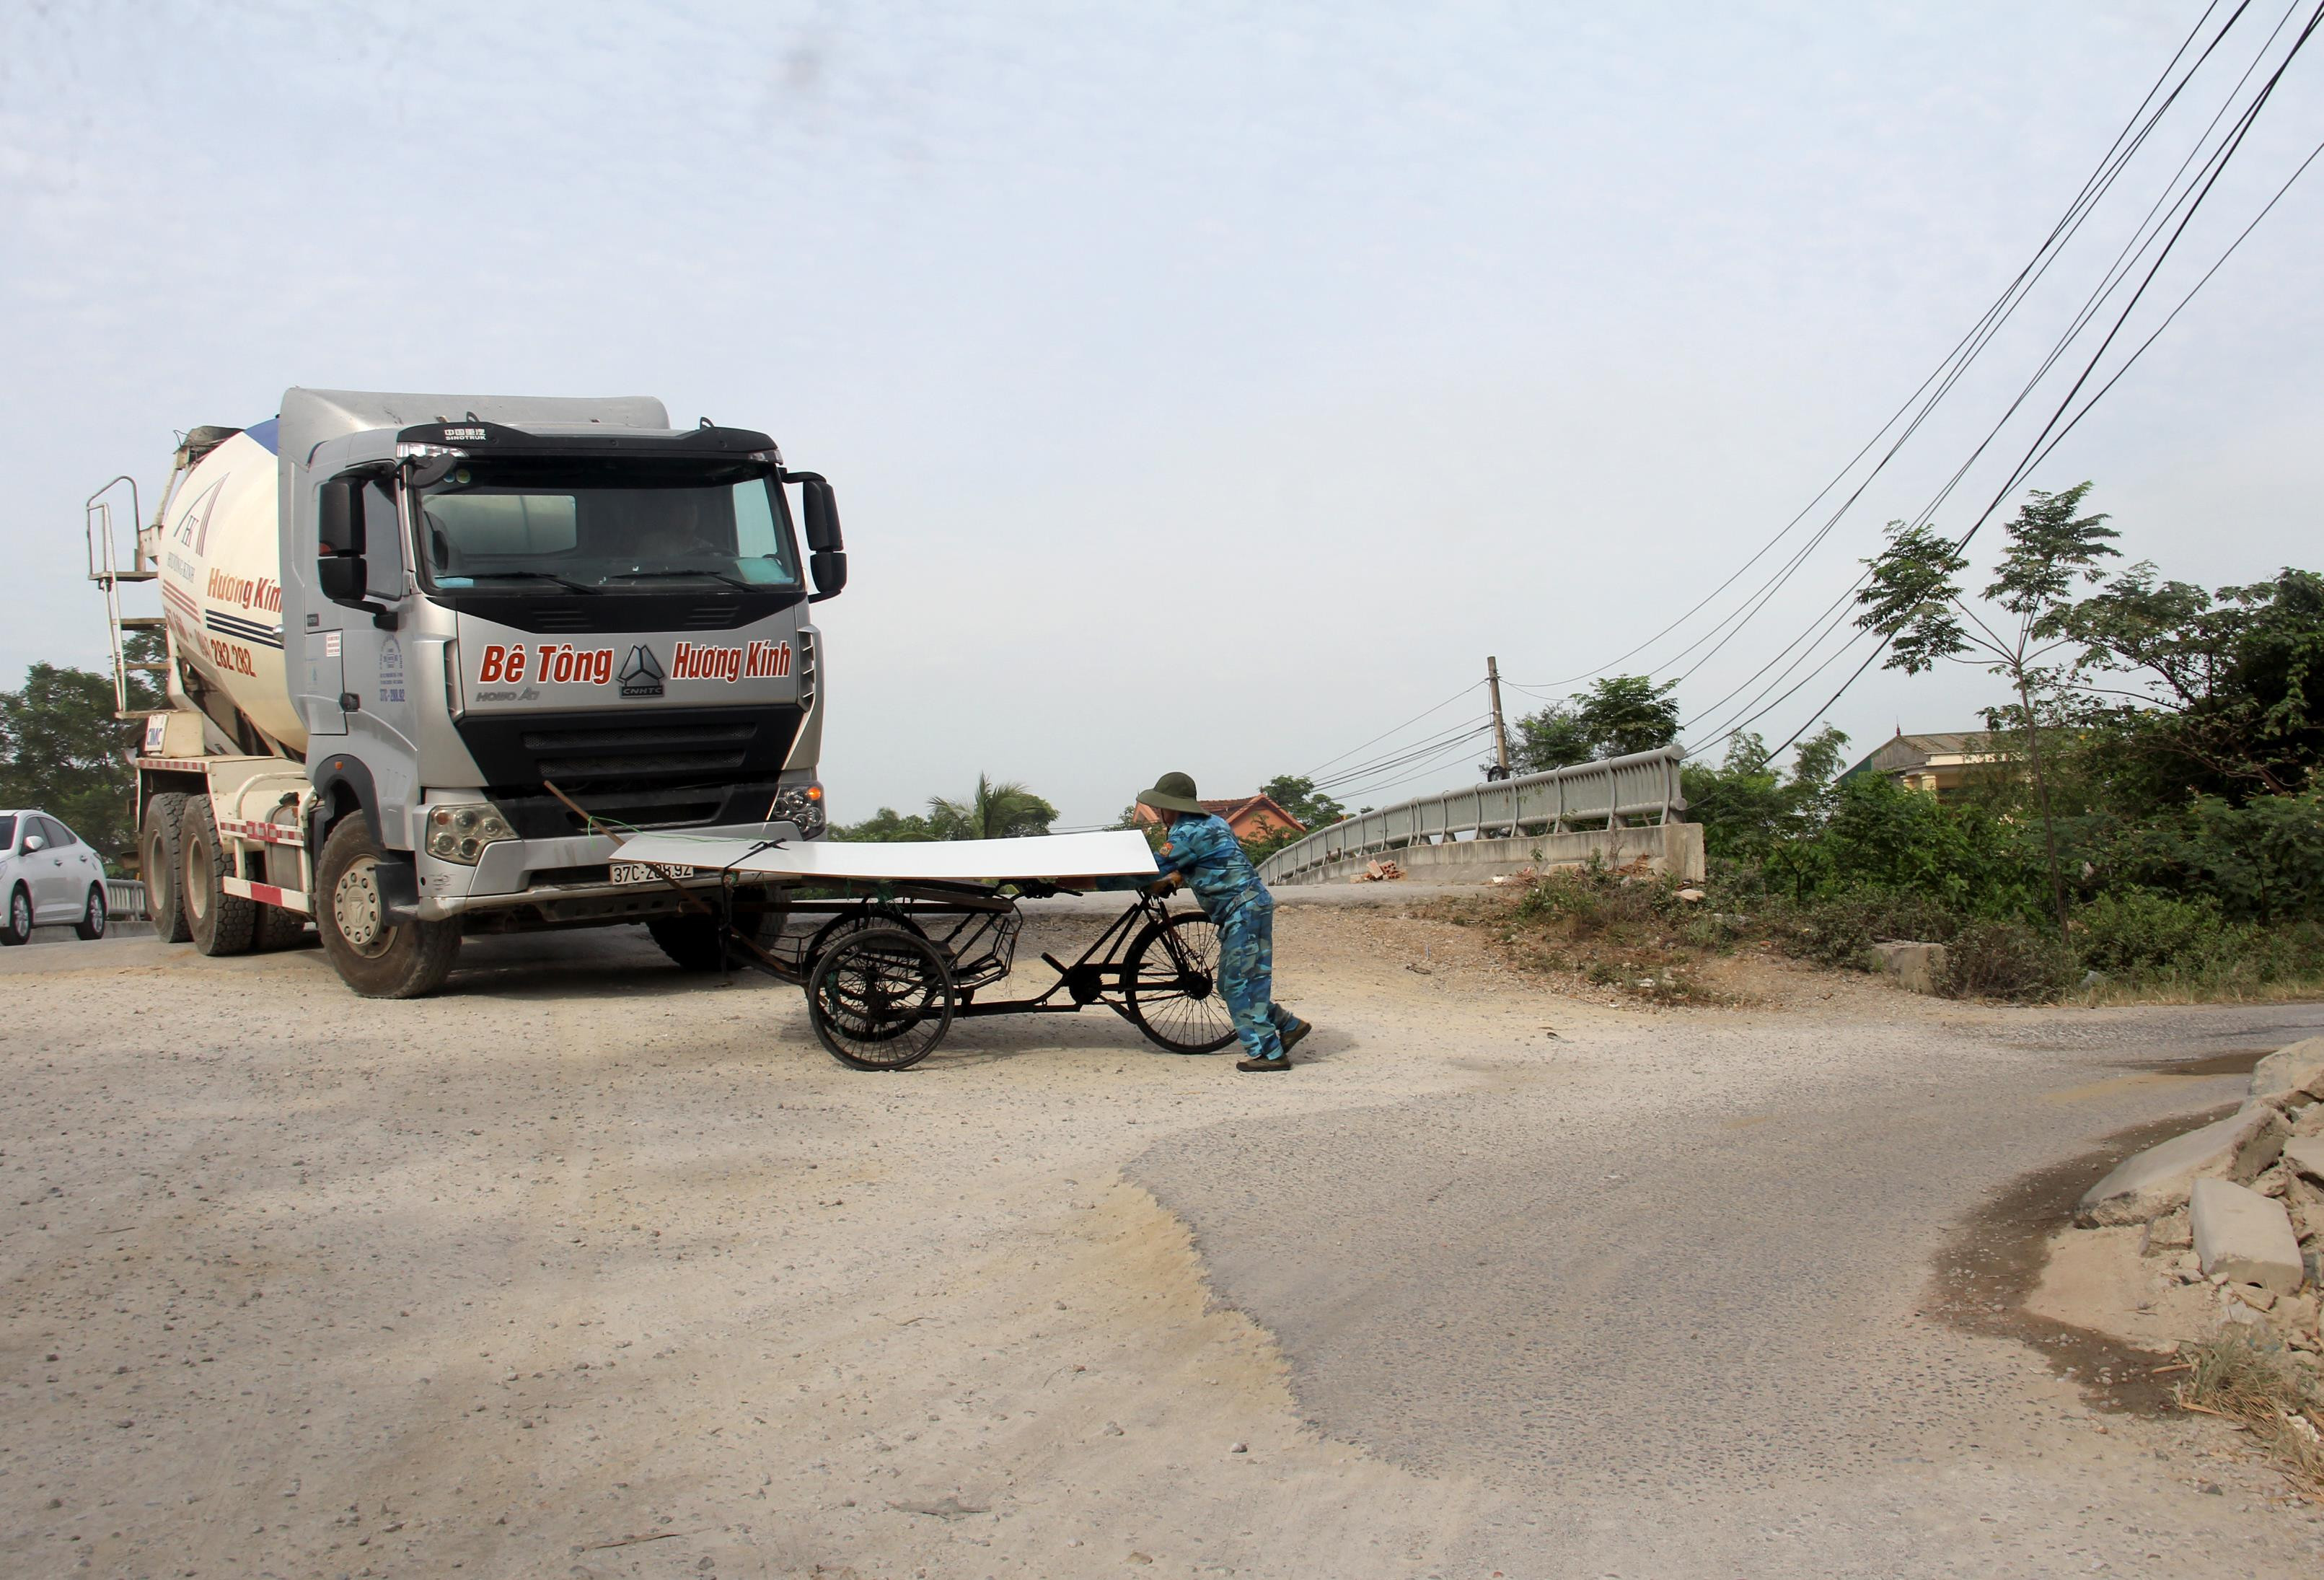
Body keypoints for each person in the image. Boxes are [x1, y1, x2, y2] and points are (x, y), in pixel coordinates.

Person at [1131, 771, 1311, 1072]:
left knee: (1239, 983)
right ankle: (1288, 1024)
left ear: (1171, 806)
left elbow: (1153, 867)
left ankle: (1269, 1053)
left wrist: (1095, 877)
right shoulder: (1214, 822)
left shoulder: (1185, 832)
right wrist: (1177, 877)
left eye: (1162, 808)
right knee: (1236, 983)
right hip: (1251, 906)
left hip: (1241, 911)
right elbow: (1211, 860)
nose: (1161, 814)